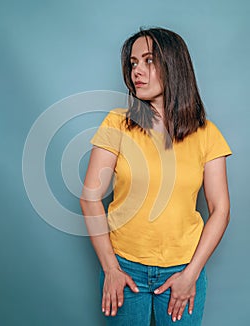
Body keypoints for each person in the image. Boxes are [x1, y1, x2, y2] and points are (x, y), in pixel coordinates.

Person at [80, 27, 232, 326]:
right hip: (124, 269)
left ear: (174, 65)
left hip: (183, 269)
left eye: (148, 60)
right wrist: (111, 268)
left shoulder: (207, 133)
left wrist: (191, 274)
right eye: (133, 63)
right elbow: (90, 197)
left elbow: (221, 210)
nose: (137, 70)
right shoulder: (117, 123)